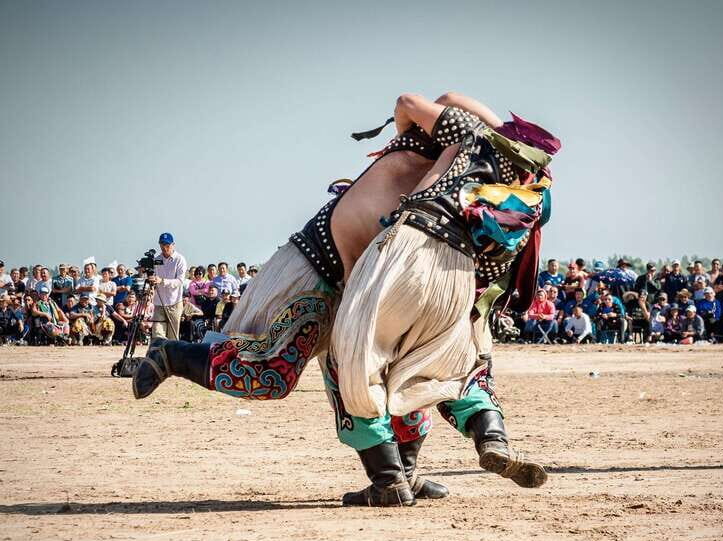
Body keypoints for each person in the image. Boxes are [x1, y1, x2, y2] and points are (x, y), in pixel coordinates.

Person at [131, 93, 550, 505]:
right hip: (317, 269)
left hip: (374, 279)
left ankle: (400, 475)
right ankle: (170, 354)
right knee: (267, 374)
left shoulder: (477, 200)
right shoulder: (428, 155)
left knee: (414, 372)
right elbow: (423, 104)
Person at [148, 232, 187, 340]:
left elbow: (179, 281)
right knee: (157, 334)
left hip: (174, 303)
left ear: (173, 244)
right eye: (162, 245)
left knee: (172, 337)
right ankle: (157, 356)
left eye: (167, 245)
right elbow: (153, 276)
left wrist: (162, 281)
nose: (165, 248)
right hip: (159, 302)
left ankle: (173, 357)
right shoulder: (157, 260)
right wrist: (151, 280)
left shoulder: (180, 259)